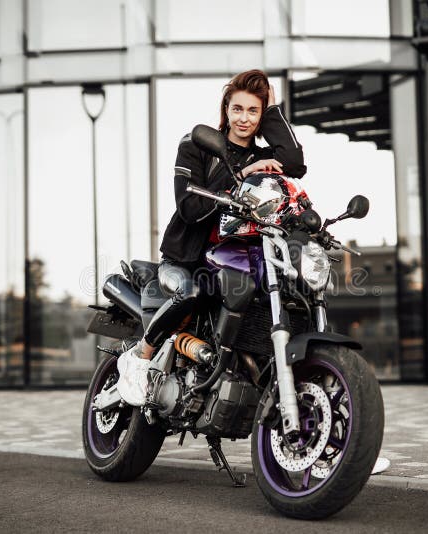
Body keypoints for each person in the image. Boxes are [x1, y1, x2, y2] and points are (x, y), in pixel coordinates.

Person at [116, 69, 306, 406]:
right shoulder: (197, 146)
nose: (244, 118)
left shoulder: (259, 157)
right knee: (190, 291)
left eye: (253, 110)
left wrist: (275, 109)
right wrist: (241, 178)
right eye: (237, 109)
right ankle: (139, 358)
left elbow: (293, 163)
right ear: (226, 110)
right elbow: (189, 207)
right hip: (186, 259)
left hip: (232, 262)